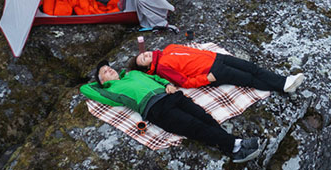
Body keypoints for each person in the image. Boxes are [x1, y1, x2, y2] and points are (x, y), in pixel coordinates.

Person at [81, 61, 262, 163]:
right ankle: (236, 144)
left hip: (171, 95)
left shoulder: (132, 74)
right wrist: (100, 82)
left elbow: (156, 78)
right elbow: (85, 89)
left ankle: (231, 147)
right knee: (194, 126)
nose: (110, 69)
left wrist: (167, 84)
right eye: (105, 72)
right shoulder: (110, 91)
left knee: (204, 117)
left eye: (109, 67)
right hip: (154, 109)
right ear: (102, 82)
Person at [133, 44, 305, 94]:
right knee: (248, 79)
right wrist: (207, 79)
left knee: (251, 67)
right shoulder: (162, 68)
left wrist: (210, 53)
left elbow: (194, 51)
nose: (146, 55)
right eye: (143, 60)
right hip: (212, 72)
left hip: (216, 58)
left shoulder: (168, 48)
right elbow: (184, 82)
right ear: (147, 67)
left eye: (143, 54)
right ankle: (283, 86)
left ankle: (284, 82)